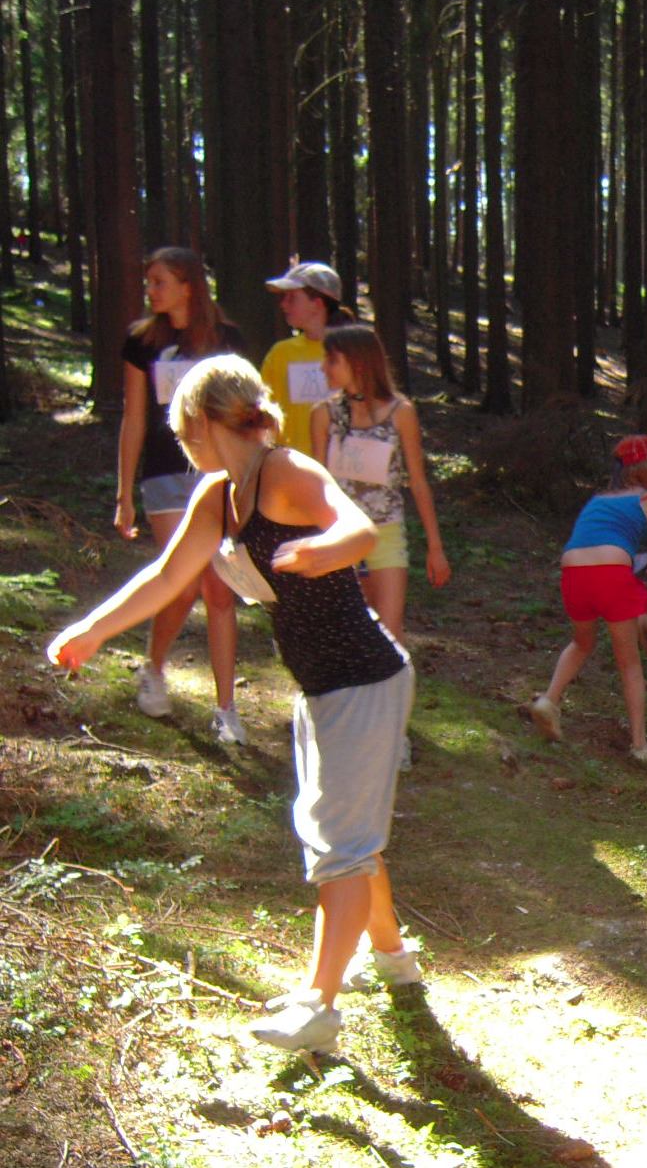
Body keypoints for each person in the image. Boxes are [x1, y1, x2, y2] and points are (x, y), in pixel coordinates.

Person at [48, 355, 420, 1053]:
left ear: (202, 420)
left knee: (338, 843)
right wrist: (93, 629)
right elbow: (167, 577)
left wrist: (326, 550)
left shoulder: (286, 471)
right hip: (321, 685)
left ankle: (319, 1006)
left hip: (364, 679)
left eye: (181, 428)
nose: (180, 440)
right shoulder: (219, 495)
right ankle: (395, 959)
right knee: (347, 833)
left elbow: (359, 529)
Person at [113, 248, 250, 741]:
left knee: (220, 588)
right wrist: (124, 494)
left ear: (188, 285)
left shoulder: (227, 340)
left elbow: (244, 414)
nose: (151, 290)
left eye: (159, 281)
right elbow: (134, 418)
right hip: (165, 475)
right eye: (149, 282)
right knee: (184, 580)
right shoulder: (142, 342)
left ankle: (226, 709)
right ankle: (153, 667)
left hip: (218, 473)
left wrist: (249, 476)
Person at [528, 434, 647, 761]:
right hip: (612, 572)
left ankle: (548, 700)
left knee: (581, 642)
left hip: (573, 571)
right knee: (629, 662)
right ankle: (640, 745)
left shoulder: (598, 500)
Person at [308, 325, 452, 646]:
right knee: (349, 634)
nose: (323, 368)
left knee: (389, 636)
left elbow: (417, 482)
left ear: (358, 363)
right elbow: (317, 485)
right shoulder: (323, 414)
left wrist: (435, 548)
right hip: (340, 535)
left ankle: (395, 681)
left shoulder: (401, 412)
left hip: (387, 532)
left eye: (332, 360)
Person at [261, 260, 352, 452]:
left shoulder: (353, 352)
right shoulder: (280, 353)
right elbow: (262, 414)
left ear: (317, 304)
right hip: (291, 465)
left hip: (344, 465)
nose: (283, 304)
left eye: (292, 298)